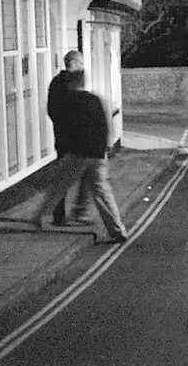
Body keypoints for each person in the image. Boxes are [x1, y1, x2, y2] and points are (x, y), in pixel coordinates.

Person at [45, 69, 129, 244]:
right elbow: (104, 123)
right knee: (102, 192)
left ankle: (38, 217)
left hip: (79, 153)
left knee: (60, 184)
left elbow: (65, 122)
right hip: (97, 153)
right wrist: (106, 145)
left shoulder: (70, 100)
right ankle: (117, 229)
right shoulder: (93, 99)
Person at [37, 49, 89, 226]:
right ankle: (71, 213)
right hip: (72, 139)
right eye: (81, 63)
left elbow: (52, 110)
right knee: (72, 176)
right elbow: (75, 110)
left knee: (66, 176)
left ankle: (61, 214)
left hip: (62, 137)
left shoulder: (56, 82)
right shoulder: (70, 83)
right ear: (73, 64)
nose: (83, 66)